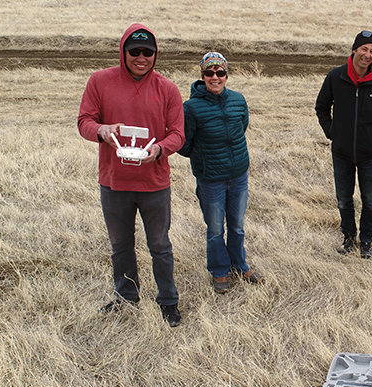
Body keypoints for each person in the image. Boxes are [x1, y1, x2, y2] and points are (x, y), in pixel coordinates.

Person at [78, 23, 185, 326]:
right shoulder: (100, 82)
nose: (141, 57)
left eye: (147, 52)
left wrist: (160, 149)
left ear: (155, 54)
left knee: (160, 245)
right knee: (120, 245)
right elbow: (84, 120)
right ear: (123, 51)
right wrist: (100, 130)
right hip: (114, 183)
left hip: (154, 184)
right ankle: (126, 295)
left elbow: (178, 133)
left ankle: (168, 301)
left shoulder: (167, 89)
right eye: (134, 51)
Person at [179, 52, 263, 294]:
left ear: (226, 75)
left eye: (220, 73)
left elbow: (241, 127)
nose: (215, 77)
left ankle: (240, 265)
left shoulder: (238, 100)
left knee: (237, 226)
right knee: (215, 228)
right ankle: (219, 271)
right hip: (211, 180)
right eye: (209, 73)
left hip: (238, 175)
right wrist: (205, 159)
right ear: (202, 75)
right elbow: (185, 144)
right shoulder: (191, 108)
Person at [315, 30, 372, 259]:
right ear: (354, 49)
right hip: (341, 152)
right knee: (344, 200)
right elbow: (321, 107)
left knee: (370, 201)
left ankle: (367, 241)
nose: (368, 55)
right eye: (364, 49)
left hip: (369, 154)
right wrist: (332, 132)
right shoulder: (336, 77)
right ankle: (348, 237)